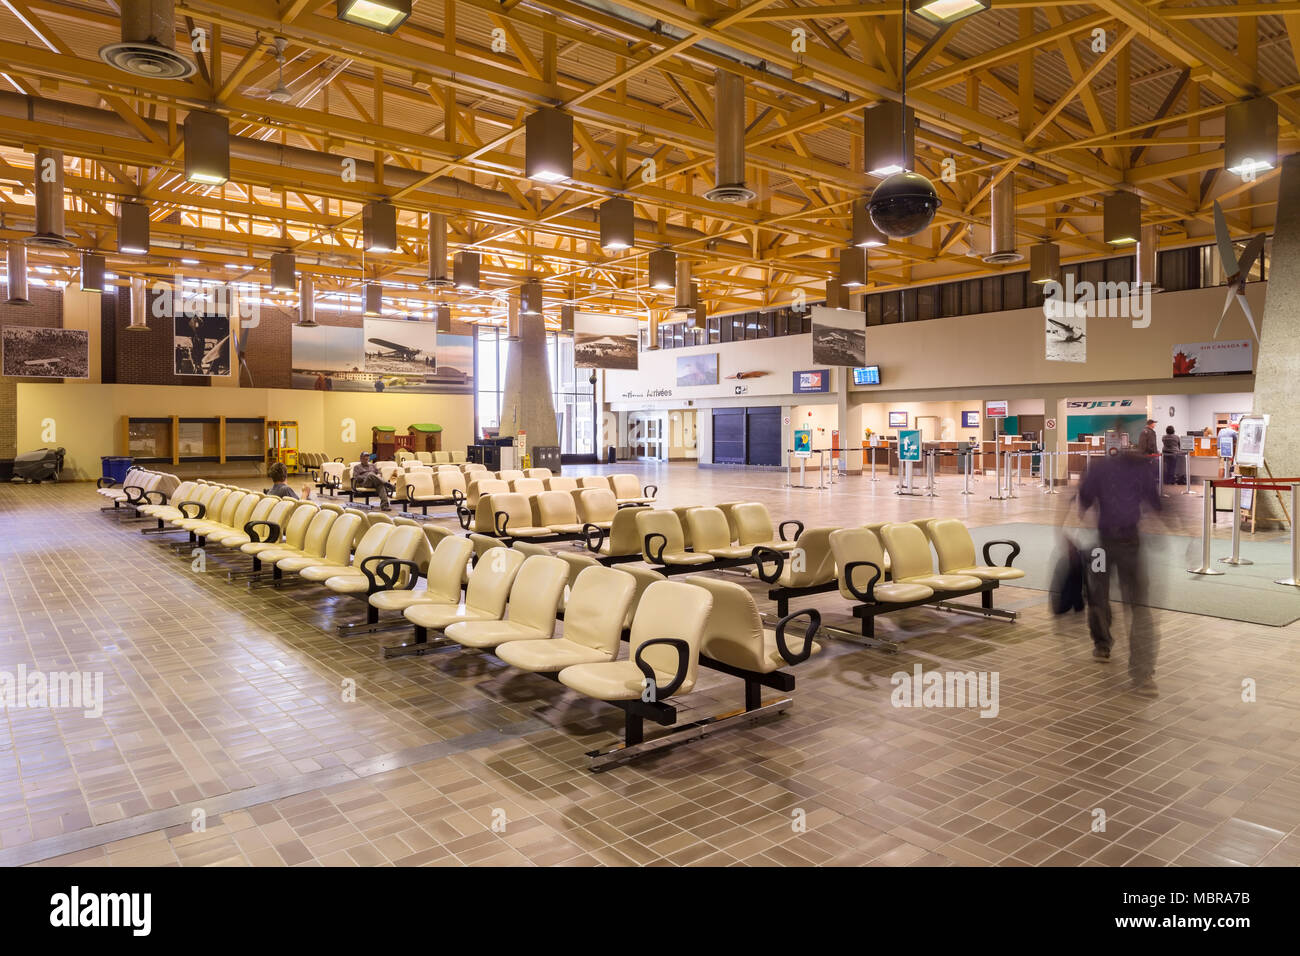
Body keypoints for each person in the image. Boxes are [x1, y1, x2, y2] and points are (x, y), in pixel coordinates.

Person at [1078, 448, 1162, 697]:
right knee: (1136, 605)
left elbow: (1083, 502)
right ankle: (1141, 673)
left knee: (1099, 594)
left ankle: (1104, 646)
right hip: (1126, 544)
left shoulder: (1099, 467)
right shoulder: (1141, 468)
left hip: (1105, 544)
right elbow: (1156, 504)